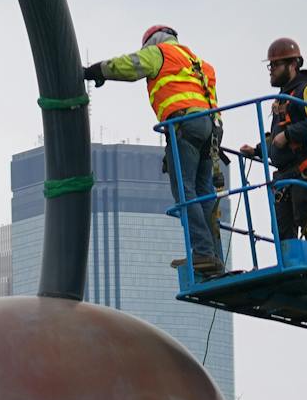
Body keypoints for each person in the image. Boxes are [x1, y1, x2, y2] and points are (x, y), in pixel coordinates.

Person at [84, 25, 227, 277]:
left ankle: (203, 251)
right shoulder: (201, 65)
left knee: (185, 191)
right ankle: (213, 256)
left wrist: (98, 71)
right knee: (204, 192)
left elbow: (129, 66)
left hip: (185, 126)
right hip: (211, 131)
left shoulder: (161, 53)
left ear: (153, 41)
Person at [240, 37, 307, 243]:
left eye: (275, 65)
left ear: (292, 65)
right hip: (286, 175)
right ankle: (292, 272)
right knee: (282, 232)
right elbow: (278, 133)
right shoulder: (284, 96)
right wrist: (257, 150)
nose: (271, 69)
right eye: (270, 65)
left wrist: (288, 135)